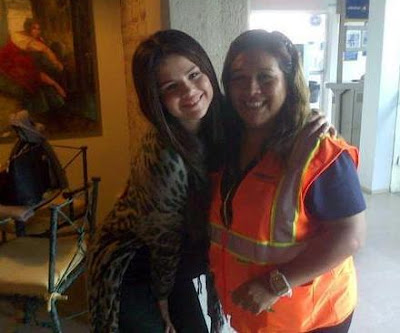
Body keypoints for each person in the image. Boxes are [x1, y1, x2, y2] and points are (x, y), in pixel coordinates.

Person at [209, 30, 367, 333]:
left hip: (312, 317)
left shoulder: (319, 150)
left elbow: (352, 235)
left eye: (265, 78)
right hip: (254, 314)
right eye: (238, 78)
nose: (251, 90)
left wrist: (275, 284)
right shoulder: (226, 144)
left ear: (288, 83)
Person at [86, 29, 225, 333]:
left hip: (175, 260)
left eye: (193, 74)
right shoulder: (167, 157)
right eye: (171, 86)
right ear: (155, 98)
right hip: (134, 263)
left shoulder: (222, 124)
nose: (188, 91)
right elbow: (163, 242)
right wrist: (163, 300)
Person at [0, 18, 66, 98]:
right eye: (34, 28)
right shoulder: (22, 40)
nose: (37, 31)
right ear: (28, 29)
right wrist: (56, 63)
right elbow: (45, 49)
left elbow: (44, 50)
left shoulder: (35, 40)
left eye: (38, 29)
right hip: (5, 62)